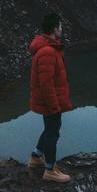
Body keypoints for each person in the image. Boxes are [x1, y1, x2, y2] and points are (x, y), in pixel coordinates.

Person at [27, 12, 74, 183]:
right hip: (50, 102)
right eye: (60, 26)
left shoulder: (49, 48)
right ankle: (50, 170)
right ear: (55, 29)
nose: (62, 29)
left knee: (50, 129)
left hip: (50, 101)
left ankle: (35, 157)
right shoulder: (47, 52)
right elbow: (46, 84)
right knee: (53, 133)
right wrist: (54, 106)